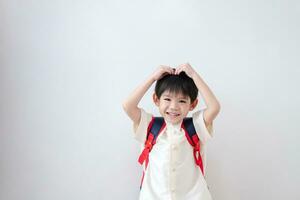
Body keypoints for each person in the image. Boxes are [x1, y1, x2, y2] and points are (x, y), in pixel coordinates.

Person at [122, 63, 221, 200]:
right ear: (156, 99)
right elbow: (128, 105)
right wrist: (152, 78)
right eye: (167, 99)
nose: (174, 107)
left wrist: (194, 75)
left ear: (192, 104)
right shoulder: (149, 125)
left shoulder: (196, 126)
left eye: (182, 101)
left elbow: (214, 107)